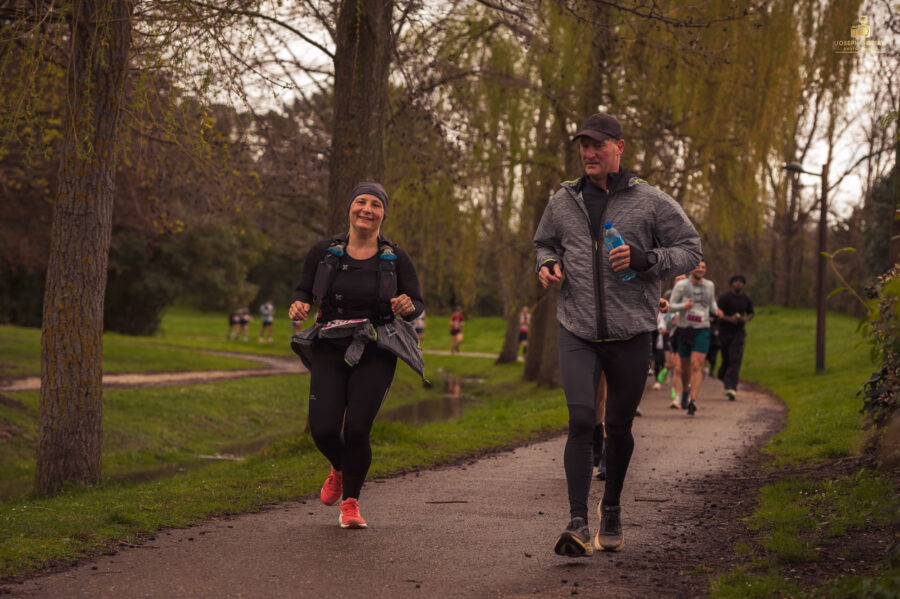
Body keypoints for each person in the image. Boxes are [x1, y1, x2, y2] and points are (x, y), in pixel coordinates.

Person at [534, 112, 701, 557]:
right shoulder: (563, 200)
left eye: (598, 145)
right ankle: (575, 522)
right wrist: (546, 265)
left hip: (632, 333)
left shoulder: (651, 201)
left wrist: (646, 260)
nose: (589, 153)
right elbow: (545, 242)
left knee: (619, 427)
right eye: (583, 146)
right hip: (577, 329)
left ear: (619, 147)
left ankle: (611, 508)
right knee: (581, 420)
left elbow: (690, 249)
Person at [289, 181, 424, 530]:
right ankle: (338, 467)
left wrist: (408, 306)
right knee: (323, 428)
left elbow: (417, 303)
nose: (367, 209)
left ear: (383, 214)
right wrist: (300, 302)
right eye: (361, 202)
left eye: (375, 204)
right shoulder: (325, 251)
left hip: (376, 347)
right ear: (349, 208)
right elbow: (304, 286)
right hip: (330, 345)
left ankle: (350, 503)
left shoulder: (395, 258)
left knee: (359, 428)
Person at [668, 260, 724, 416]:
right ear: (691, 268)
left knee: (696, 365)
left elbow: (711, 305)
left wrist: (717, 311)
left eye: (704, 267)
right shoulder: (681, 286)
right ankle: (685, 390)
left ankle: (693, 400)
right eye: (698, 266)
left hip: (702, 329)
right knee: (684, 368)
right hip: (684, 329)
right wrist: (683, 306)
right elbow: (671, 306)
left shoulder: (709, 285)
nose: (700, 269)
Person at [717, 274, 755, 400]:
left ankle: (732, 387)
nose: (738, 284)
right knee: (726, 358)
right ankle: (722, 375)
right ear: (731, 284)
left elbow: (751, 313)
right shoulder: (724, 298)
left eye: (740, 282)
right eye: (736, 282)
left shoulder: (746, 299)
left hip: (739, 332)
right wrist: (730, 319)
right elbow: (718, 313)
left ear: (743, 284)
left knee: (736, 359)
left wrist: (743, 319)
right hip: (724, 331)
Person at [664, 274, 687, 408]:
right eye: (678, 279)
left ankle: (686, 393)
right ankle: (677, 398)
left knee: (687, 367)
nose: (681, 281)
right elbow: (664, 317)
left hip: (690, 334)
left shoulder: (692, 293)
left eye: (683, 278)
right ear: (673, 281)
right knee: (677, 368)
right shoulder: (668, 295)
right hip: (674, 335)